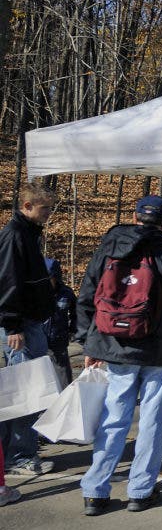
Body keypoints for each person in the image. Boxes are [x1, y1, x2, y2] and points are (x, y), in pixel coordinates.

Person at [79, 195, 162, 516]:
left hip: (116, 347)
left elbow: (88, 295)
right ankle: (140, 490)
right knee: (152, 423)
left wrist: (90, 344)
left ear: (134, 216)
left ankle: (95, 489)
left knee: (114, 420)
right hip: (159, 353)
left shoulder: (110, 246)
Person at [0, 181, 57, 477]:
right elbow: (8, 282)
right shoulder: (14, 236)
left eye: (50, 206)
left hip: (30, 322)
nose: (49, 212)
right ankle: (19, 455)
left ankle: (20, 451)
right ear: (27, 206)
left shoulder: (29, 234)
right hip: (19, 326)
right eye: (44, 207)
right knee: (24, 392)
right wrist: (12, 326)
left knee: (25, 389)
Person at [43, 258, 76, 386]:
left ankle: (66, 399)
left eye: (49, 278)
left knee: (63, 376)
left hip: (59, 339)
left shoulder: (66, 293)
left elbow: (77, 312)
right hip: (39, 339)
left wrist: (73, 329)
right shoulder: (35, 293)